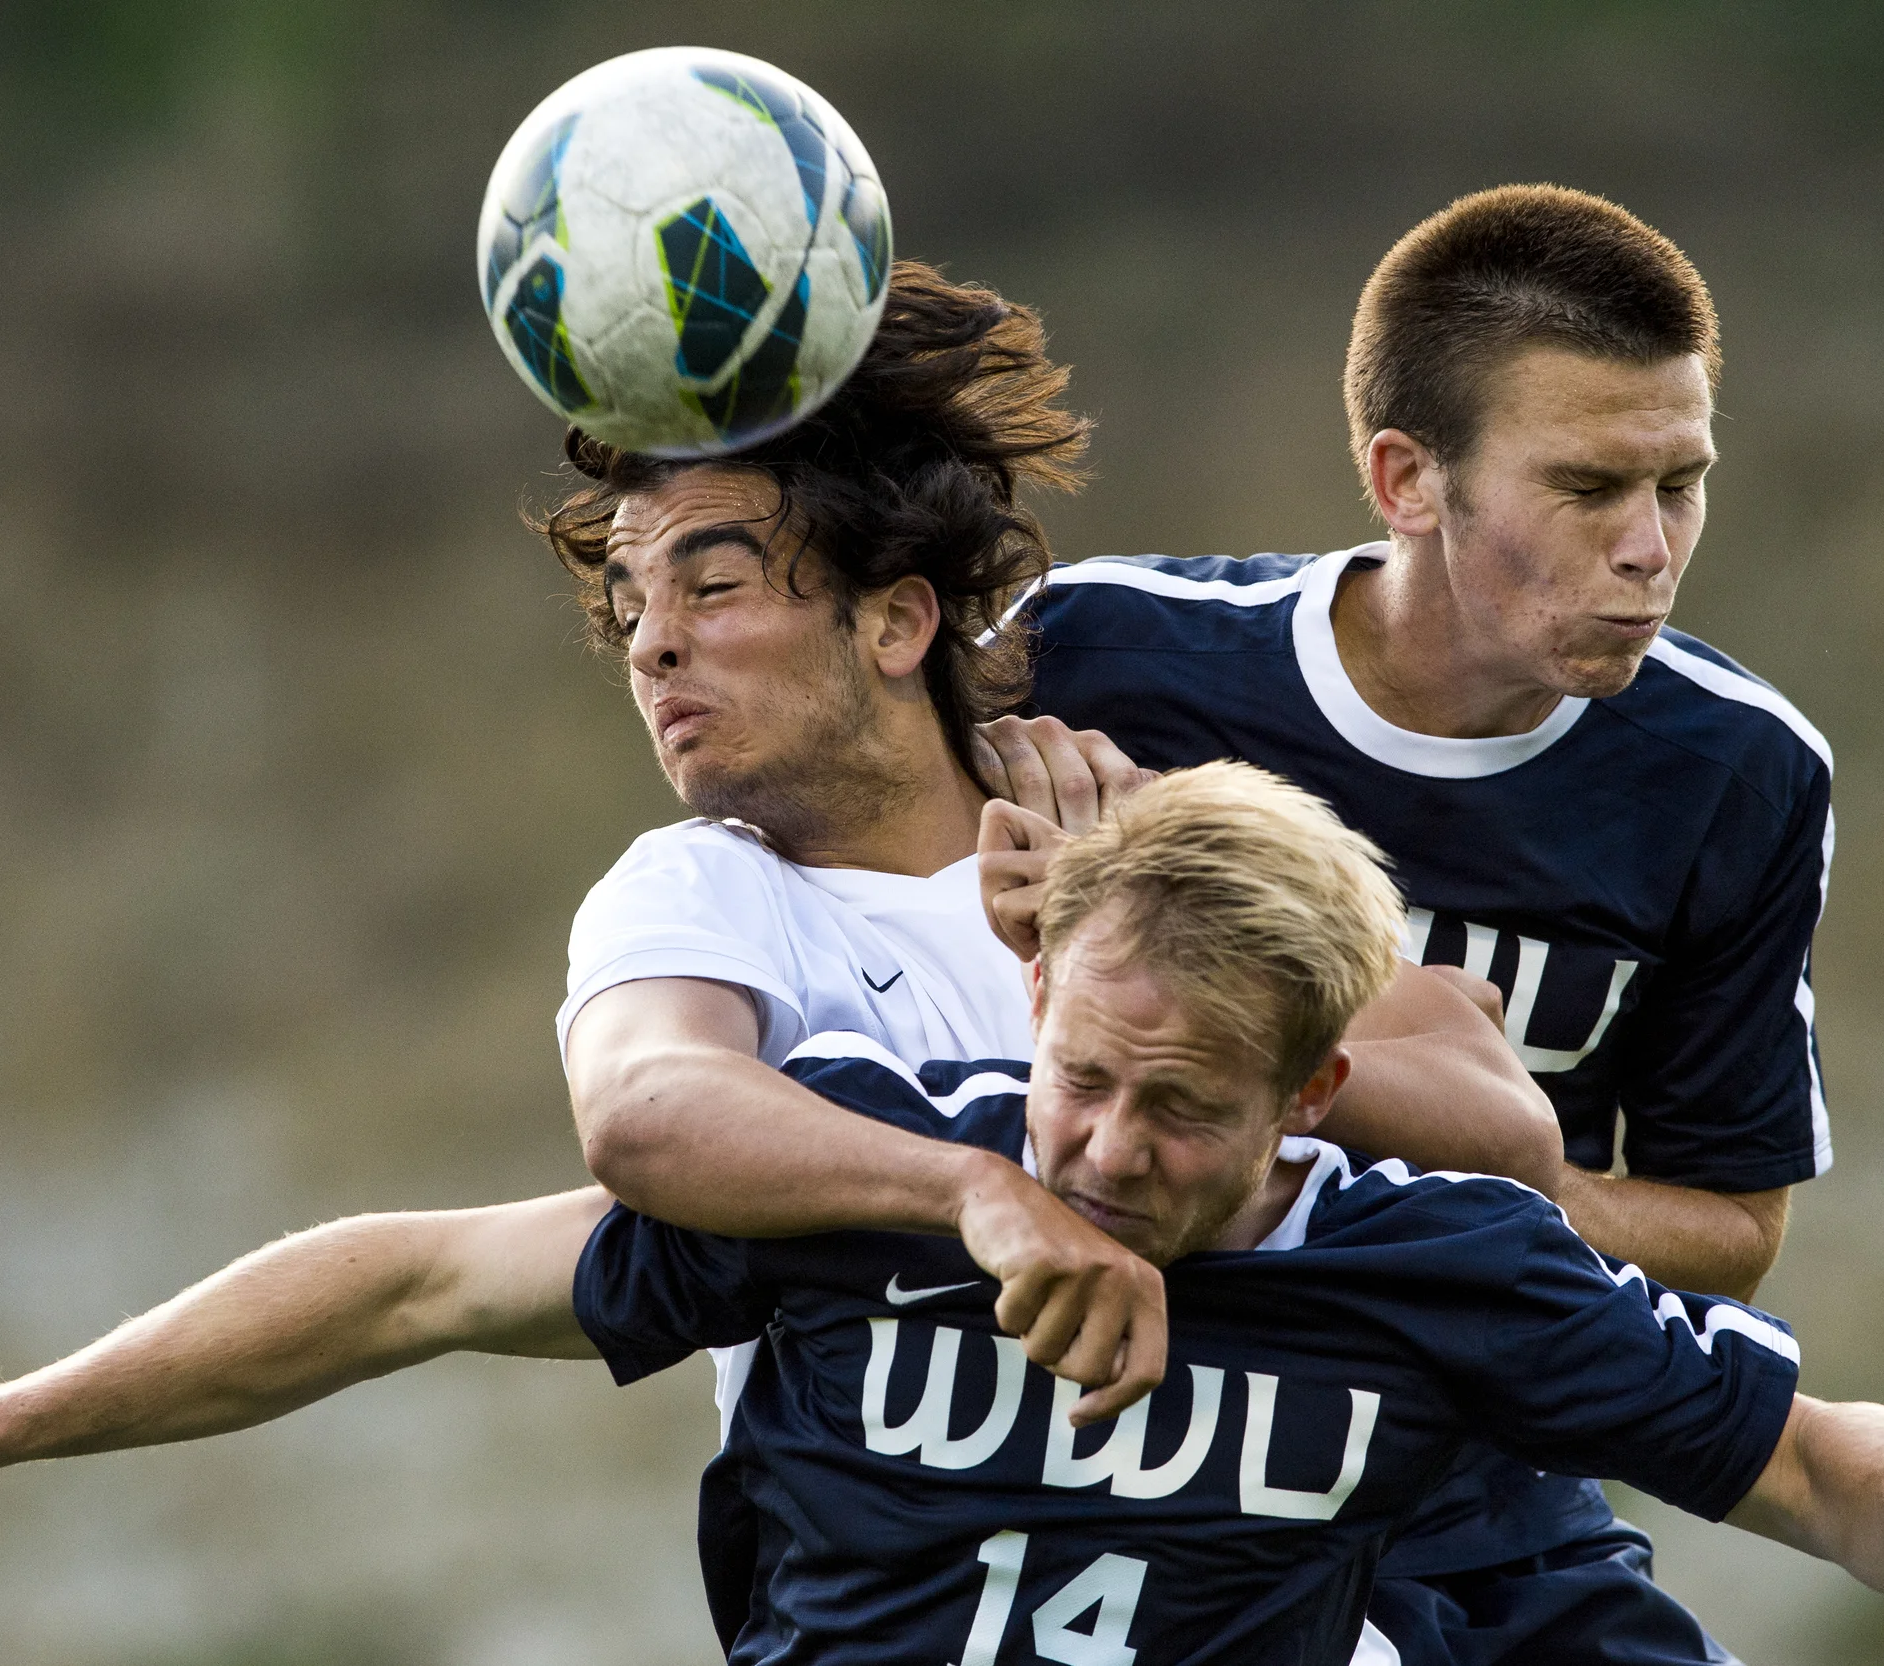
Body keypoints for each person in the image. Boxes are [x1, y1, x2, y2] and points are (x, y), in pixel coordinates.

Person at [0, 765, 1884, 1666]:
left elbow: (1808, 1483)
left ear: (1314, 1095)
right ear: (1028, 987)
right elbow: (416, 1284)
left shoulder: (1428, 1266)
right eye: (1080, 1074)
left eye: (1183, 1115)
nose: (1108, 1151)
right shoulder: (861, 1172)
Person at [994, 185, 1836, 1664]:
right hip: (1106, 1418)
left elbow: (1731, 1236)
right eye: (1588, 488)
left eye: (1683, 482)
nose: (1652, 547)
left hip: (1473, 1468)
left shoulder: (1739, 773)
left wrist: (1464, 1209)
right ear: (1406, 479)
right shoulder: (1098, 651)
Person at [542, 258, 1560, 1447]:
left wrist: (1191, 1015)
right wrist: (982, 1190)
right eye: (629, 608)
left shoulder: (1131, 839)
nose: (652, 645)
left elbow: (1511, 1134)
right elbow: (645, 1110)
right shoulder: (698, 889)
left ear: (896, 621)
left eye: (709, 587)